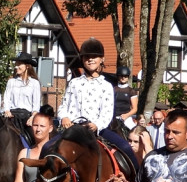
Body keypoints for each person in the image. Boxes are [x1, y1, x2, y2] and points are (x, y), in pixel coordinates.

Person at [56, 37, 138, 172]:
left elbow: (107, 112)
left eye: (94, 56)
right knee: (47, 147)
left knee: (125, 148)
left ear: (102, 59)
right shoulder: (74, 83)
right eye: (87, 57)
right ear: (82, 59)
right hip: (73, 128)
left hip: (97, 129)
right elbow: (64, 105)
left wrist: (97, 125)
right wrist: (64, 117)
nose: (90, 59)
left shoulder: (106, 86)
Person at [3, 52, 42, 131]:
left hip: (27, 118)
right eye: (16, 64)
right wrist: (6, 110)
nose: (16, 67)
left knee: (33, 138)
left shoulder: (34, 83)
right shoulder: (11, 82)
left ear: (27, 66)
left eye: (19, 64)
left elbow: (36, 105)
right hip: (12, 116)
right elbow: (6, 98)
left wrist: (33, 117)